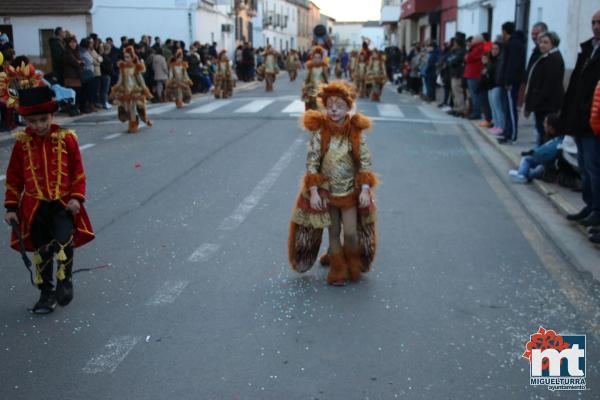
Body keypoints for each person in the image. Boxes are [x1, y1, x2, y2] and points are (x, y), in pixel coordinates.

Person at [3, 85, 95, 314]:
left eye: (43, 119)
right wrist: (11, 207)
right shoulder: (22, 144)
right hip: (34, 208)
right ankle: (46, 293)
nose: (39, 126)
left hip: (63, 205)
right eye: (32, 121)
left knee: (64, 242)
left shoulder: (67, 139)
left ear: (52, 116)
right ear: (25, 120)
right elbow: (14, 179)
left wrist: (76, 198)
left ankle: (65, 280)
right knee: (41, 250)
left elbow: (78, 172)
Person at [288, 81, 378, 286]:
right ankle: (338, 269)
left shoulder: (354, 132)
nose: (334, 109)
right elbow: (312, 162)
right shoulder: (321, 133)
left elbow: (365, 161)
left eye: (339, 105)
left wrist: (365, 189)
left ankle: (352, 261)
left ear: (348, 107)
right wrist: (314, 191)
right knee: (334, 231)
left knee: (351, 232)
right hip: (327, 193)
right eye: (329, 106)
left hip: (349, 194)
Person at [560, 9, 600, 229]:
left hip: (594, 121)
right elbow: (575, 86)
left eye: (599, 22)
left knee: (594, 167)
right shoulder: (588, 50)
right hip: (580, 119)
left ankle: (597, 209)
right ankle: (590, 205)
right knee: (584, 165)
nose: (595, 26)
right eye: (593, 22)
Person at [524, 31, 565, 146]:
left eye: (546, 42)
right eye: (541, 42)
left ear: (553, 44)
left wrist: (532, 105)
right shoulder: (546, 57)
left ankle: (543, 158)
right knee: (540, 132)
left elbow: (548, 86)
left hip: (547, 105)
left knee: (545, 134)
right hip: (541, 104)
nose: (542, 45)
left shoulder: (554, 59)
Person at [109, 46, 153, 133]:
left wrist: (145, 90)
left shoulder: (136, 67)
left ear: (132, 57)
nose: (126, 59)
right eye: (125, 57)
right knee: (127, 109)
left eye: (128, 57)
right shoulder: (122, 67)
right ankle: (134, 119)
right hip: (125, 90)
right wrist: (115, 90)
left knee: (132, 107)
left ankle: (133, 126)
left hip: (134, 90)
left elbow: (140, 80)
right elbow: (120, 80)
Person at [509, 114, 563, 183]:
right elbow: (540, 150)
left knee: (537, 169)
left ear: (550, 127)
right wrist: (531, 153)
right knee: (526, 159)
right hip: (540, 161)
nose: (544, 125)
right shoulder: (547, 136)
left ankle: (521, 174)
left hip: (547, 167)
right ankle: (521, 174)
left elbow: (549, 156)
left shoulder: (557, 140)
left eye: (545, 123)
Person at [498, 22, 526, 143]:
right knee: (507, 107)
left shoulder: (514, 44)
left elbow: (513, 65)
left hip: (511, 82)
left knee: (511, 108)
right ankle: (507, 131)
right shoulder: (511, 43)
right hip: (508, 80)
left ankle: (512, 134)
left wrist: (509, 80)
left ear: (505, 31)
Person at [486, 42, 506, 136]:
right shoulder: (491, 60)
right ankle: (496, 125)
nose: (494, 51)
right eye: (493, 48)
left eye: (496, 49)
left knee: (498, 107)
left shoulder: (500, 60)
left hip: (496, 85)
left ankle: (501, 126)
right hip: (490, 85)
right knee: (492, 107)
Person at [302, 46, 329, 110]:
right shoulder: (309, 67)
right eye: (315, 57)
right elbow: (305, 80)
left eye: (319, 57)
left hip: (321, 90)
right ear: (312, 58)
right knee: (311, 108)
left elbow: (327, 80)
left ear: (321, 58)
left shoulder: (324, 67)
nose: (317, 59)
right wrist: (304, 88)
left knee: (321, 108)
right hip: (311, 89)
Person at [464, 35, 485, 119]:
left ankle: (476, 113)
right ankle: (475, 112)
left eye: (473, 39)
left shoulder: (478, 47)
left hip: (474, 74)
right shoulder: (477, 47)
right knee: (474, 95)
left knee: (475, 95)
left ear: (477, 40)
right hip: (473, 74)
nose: (471, 41)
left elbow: (468, 57)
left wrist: (467, 54)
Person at [62, 37, 85, 113]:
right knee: (71, 94)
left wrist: (80, 62)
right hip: (70, 77)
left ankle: (76, 108)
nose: (73, 44)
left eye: (74, 42)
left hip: (77, 77)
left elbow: (81, 63)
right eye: (71, 42)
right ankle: (71, 109)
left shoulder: (76, 52)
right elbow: (75, 63)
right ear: (68, 44)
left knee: (77, 94)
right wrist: (79, 62)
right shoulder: (67, 52)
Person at [99, 43, 114, 109]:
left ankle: (105, 102)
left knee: (105, 90)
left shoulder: (104, 56)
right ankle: (104, 102)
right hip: (105, 74)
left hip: (106, 74)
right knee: (105, 90)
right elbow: (103, 66)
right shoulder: (104, 57)